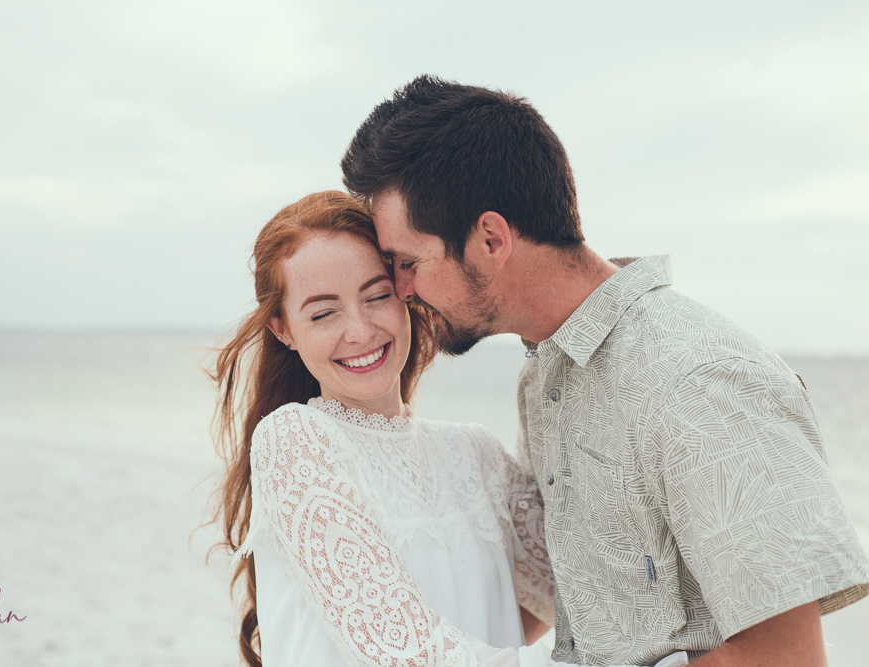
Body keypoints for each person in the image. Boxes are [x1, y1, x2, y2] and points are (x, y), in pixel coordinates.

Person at [340, 75, 869, 666]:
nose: (401, 289)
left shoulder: (696, 378)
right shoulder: (546, 379)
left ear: (490, 238)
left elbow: (785, 661)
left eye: (408, 262)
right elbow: (578, 607)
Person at [208, 191, 688, 667]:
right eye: (323, 312)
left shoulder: (475, 452)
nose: (359, 330)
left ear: (406, 294)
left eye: (377, 296)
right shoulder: (294, 440)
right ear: (282, 329)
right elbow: (408, 654)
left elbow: (580, 590)